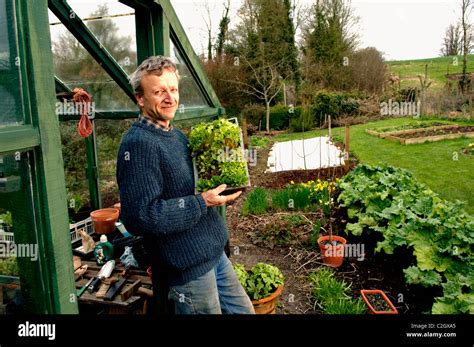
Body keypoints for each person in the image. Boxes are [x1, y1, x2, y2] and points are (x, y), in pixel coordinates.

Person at [116, 56, 255, 314]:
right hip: (186, 267)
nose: (170, 98)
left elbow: (192, 186)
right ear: (140, 98)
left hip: (213, 252)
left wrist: (228, 183)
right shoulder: (138, 145)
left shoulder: (175, 135)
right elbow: (140, 216)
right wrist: (203, 202)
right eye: (159, 91)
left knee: (243, 311)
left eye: (173, 89)